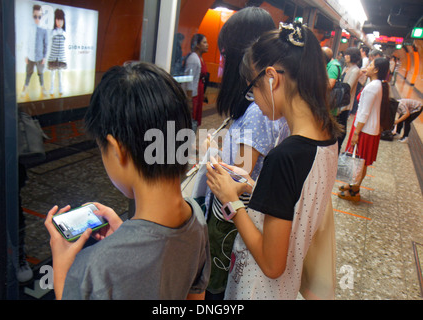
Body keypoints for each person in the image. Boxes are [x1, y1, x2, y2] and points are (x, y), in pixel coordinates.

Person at [44, 62, 210, 300]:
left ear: (115, 149)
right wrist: (126, 235)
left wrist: (62, 276)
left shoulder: (94, 267)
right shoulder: (197, 219)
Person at [206, 22, 341, 300]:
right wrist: (254, 186)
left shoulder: (285, 157)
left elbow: (271, 264)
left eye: (253, 88)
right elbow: (297, 204)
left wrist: (231, 201)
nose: (254, 97)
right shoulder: (328, 138)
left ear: (271, 78)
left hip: (256, 291)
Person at [203, 7, 289, 300]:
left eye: (226, 54)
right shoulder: (261, 106)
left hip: (230, 226)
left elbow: (236, 179)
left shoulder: (257, 113)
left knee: (215, 293)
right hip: (236, 223)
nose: (223, 63)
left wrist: (210, 156)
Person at [338, 57, 390, 201]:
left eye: (371, 65)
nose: (367, 66)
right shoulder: (378, 84)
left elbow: (364, 112)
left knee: (358, 160)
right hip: (369, 128)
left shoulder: (372, 87)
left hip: (364, 129)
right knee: (361, 160)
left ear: (376, 70)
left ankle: (355, 191)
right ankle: (352, 184)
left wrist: (356, 133)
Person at [21, 4, 48, 98]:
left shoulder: (44, 30)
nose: (37, 19)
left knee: (41, 74)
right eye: (35, 16)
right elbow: (26, 41)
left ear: (42, 16)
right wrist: (25, 55)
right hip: (30, 56)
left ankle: (42, 88)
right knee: (28, 73)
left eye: (39, 17)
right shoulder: (29, 28)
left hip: (40, 57)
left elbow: (46, 44)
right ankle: (25, 88)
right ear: (33, 16)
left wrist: (44, 56)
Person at [337, 47, 361, 153]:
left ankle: (338, 145)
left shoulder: (355, 70)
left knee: (342, 123)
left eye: (348, 54)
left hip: (345, 101)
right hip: (339, 100)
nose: (345, 56)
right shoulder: (346, 68)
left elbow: (348, 87)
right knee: (339, 122)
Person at [185, 34, 209, 127]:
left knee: (195, 119)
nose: (207, 45)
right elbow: (190, 81)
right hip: (194, 93)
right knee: (191, 118)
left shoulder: (200, 58)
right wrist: (189, 99)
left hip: (199, 91)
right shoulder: (193, 59)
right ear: (197, 45)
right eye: (204, 42)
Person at [48, 9, 67, 97]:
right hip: (53, 57)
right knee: (53, 75)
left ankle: (61, 88)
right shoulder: (53, 32)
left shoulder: (64, 33)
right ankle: (51, 89)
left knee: (60, 74)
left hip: (61, 57)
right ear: (55, 20)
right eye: (57, 20)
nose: (59, 22)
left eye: (61, 20)